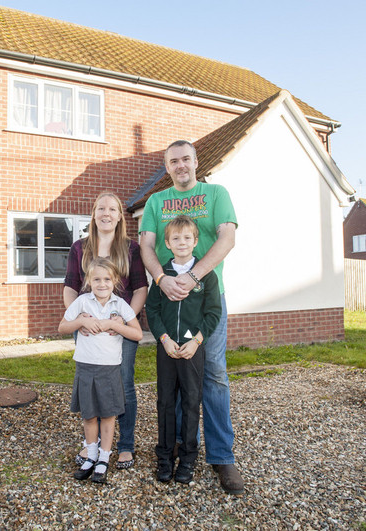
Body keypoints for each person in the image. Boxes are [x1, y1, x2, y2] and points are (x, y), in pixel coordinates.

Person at [139, 140, 244, 495]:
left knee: (212, 375)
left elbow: (227, 239)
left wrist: (193, 276)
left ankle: (221, 456)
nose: (180, 165)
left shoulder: (216, 194)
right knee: (178, 379)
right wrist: (162, 279)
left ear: (196, 161)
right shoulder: (156, 201)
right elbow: (147, 246)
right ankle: (184, 452)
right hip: (169, 299)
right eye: (173, 161)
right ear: (166, 166)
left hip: (206, 300)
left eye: (186, 159)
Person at [63, 192, 148, 469]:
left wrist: (124, 322)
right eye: (101, 208)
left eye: (112, 209)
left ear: (120, 215)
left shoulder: (131, 248)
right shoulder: (79, 248)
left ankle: (125, 445)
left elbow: (139, 288)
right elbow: (70, 287)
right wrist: (79, 317)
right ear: (94, 213)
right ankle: (94, 444)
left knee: (122, 385)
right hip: (87, 327)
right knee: (90, 386)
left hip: (119, 327)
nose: (106, 213)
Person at [145, 215, 221, 484]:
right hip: (167, 347)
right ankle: (164, 457)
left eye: (187, 238)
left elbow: (213, 313)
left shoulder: (206, 276)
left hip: (191, 348)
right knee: (165, 403)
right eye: (175, 238)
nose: (181, 242)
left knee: (190, 403)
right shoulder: (161, 277)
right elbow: (152, 310)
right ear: (167, 242)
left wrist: (196, 341)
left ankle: (188, 459)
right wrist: (164, 338)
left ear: (195, 241)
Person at [58, 258, 144, 484]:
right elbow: (62, 327)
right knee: (89, 415)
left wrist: (116, 325)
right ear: (88, 281)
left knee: (107, 415)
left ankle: (104, 458)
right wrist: (80, 322)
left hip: (109, 369)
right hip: (86, 367)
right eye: (96, 279)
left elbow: (137, 334)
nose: (102, 284)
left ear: (115, 281)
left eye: (107, 279)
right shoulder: (82, 303)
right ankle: (91, 455)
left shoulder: (120, 306)